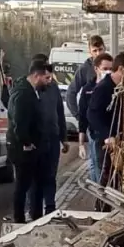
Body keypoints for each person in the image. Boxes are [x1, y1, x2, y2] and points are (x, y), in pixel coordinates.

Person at [7, 60, 50, 223]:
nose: (48, 81)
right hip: (23, 149)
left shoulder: (31, 92)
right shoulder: (23, 94)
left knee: (37, 183)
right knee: (23, 185)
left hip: (32, 148)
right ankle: (19, 219)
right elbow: (19, 122)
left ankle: (36, 215)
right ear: (36, 75)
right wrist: (27, 142)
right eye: (45, 78)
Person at [85, 52, 124, 186]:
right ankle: (102, 206)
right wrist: (107, 135)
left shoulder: (121, 88)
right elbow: (92, 115)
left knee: (115, 178)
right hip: (103, 140)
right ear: (121, 69)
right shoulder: (103, 88)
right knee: (105, 177)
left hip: (115, 139)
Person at [33, 60, 69, 213]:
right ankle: (34, 209)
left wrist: (63, 137)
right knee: (36, 177)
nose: (48, 80)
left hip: (53, 138)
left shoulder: (53, 87)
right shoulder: (30, 89)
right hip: (37, 139)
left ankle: (50, 207)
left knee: (50, 175)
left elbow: (59, 112)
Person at [64, 35, 106, 160]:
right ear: (90, 51)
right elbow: (70, 93)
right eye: (95, 50)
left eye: (100, 49)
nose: (98, 53)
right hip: (92, 121)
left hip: (108, 120)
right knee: (94, 159)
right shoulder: (85, 69)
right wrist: (79, 116)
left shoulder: (110, 64)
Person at [77, 52, 113, 181]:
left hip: (111, 134)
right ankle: (99, 194)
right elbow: (83, 115)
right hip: (95, 134)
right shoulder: (88, 89)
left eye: (111, 69)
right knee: (97, 166)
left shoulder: (114, 87)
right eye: (105, 69)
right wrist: (81, 143)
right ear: (96, 69)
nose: (108, 72)